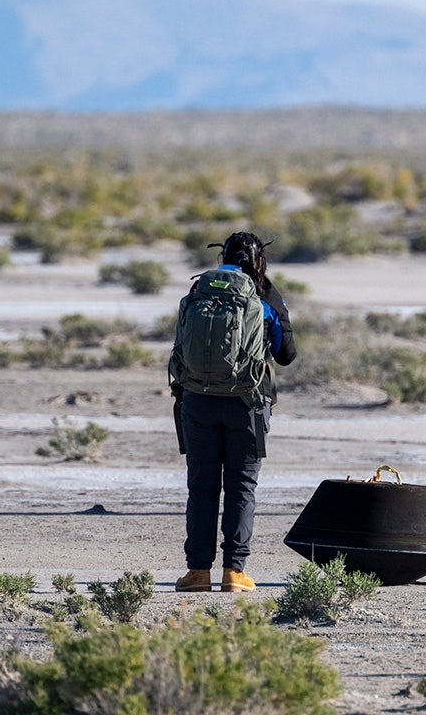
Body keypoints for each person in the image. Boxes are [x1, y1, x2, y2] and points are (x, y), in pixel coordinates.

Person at [171, 231, 297, 592]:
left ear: (221, 257)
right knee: (241, 486)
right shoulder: (264, 297)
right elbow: (286, 354)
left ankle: (197, 572)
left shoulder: (200, 290)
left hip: (196, 401)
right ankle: (234, 572)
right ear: (260, 261)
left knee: (202, 488)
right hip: (248, 405)